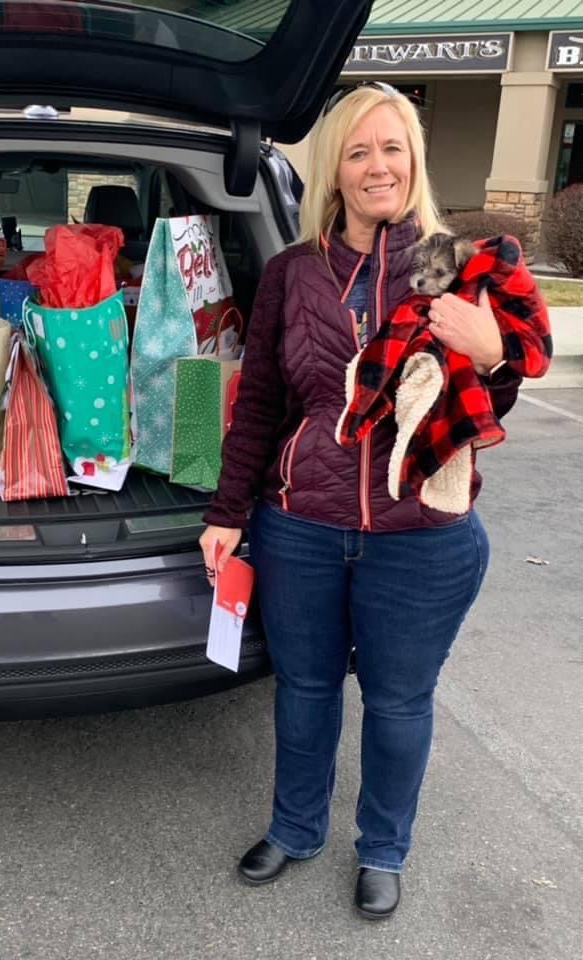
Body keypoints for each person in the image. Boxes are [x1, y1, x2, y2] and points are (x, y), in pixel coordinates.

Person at [199, 83, 541, 919]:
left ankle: (384, 847)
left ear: (414, 161)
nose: (376, 165)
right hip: (301, 527)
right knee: (305, 691)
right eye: (358, 151)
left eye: (392, 148)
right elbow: (260, 404)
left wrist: (494, 352)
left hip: (419, 533)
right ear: (336, 171)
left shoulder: (459, 266)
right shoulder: (292, 273)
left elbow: (483, 409)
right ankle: (295, 827)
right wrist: (227, 510)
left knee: (398, 702)